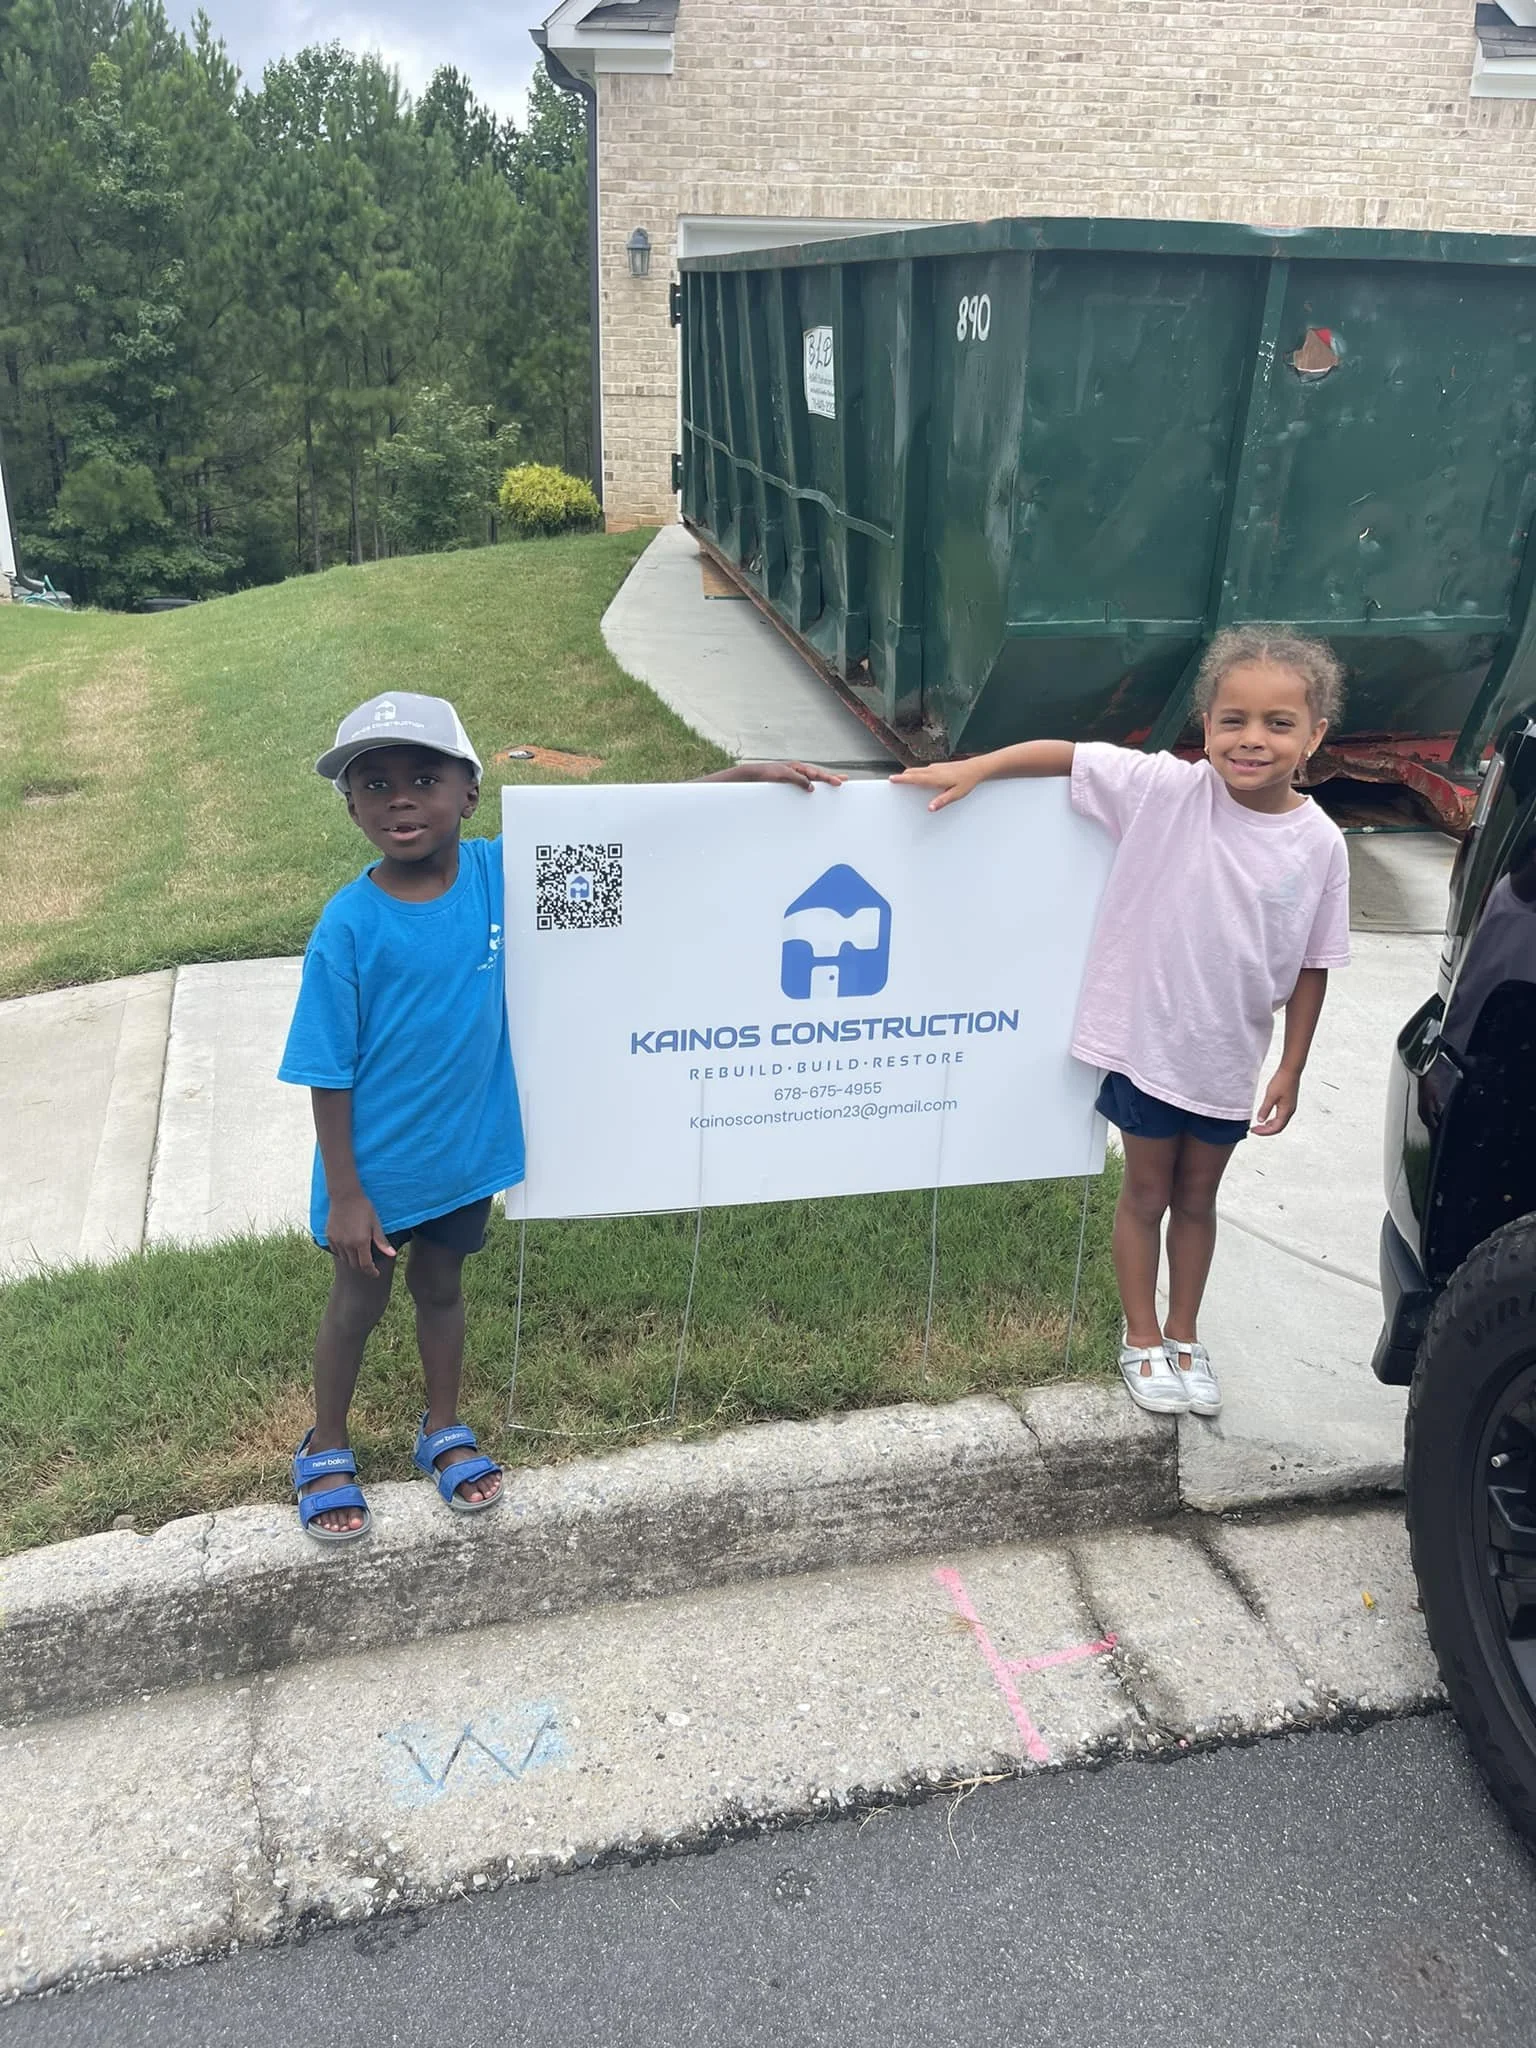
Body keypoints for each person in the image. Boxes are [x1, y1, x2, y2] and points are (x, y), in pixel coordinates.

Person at [279, 689, 842, 1541]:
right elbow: (326, 1068)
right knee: (357, 1306)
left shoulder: (501, 878)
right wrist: (347, 1193)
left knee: (442, 1288)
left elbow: (626, 835)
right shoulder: (349, 925)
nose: (400, 798)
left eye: (424, 778)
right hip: (375, 1171)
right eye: (375, 783)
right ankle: (325, 1442)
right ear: (351, 804)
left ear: (469, 792)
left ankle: (442, 1425)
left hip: (467, 1153)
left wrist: (739, 782)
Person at [892, 629, 1351, 1419]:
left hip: (1228, 1060)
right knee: (1145, 1191)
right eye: (1231, 719)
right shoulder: (1164, 792)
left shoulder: (1321, 845)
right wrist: (979, 766)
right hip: (1147, 1050)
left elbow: (1315, 961)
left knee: (1199, 1200)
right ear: (1203, 725)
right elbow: (1068, 754)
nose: (1251, 739)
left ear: (1315, 736)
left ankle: (1184, 1331)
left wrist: (1292, 1067)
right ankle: (1141, 1336)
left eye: (1279, 723)